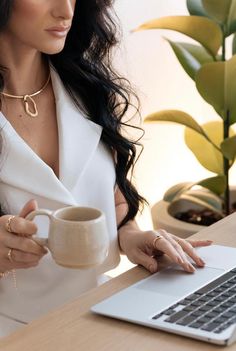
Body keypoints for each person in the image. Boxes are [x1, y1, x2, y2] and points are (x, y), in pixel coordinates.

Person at [0, 0, 212, 336]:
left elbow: (112, 201)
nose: (66, 11)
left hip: (101, 312)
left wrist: (132, 236)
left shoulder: (88, 90)